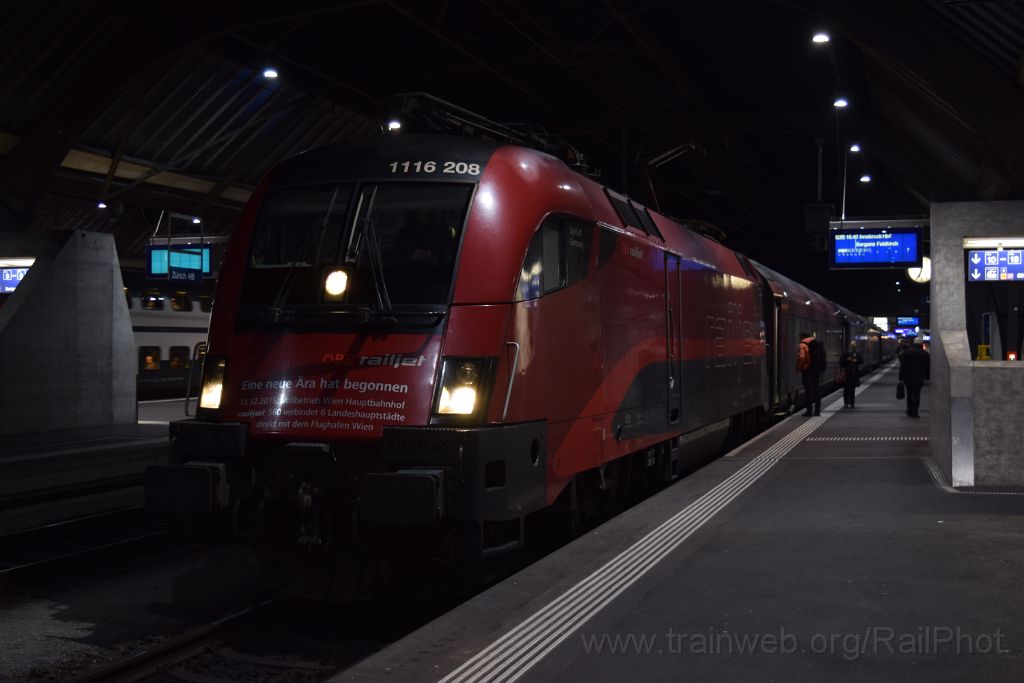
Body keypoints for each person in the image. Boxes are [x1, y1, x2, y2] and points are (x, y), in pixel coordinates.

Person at [898, 337, 930, 418]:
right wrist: (927, 376)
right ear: (921, 344)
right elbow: (927, 367)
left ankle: (909, 410)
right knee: (916, 395)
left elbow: (902, 366)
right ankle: (915, 412)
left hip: (907, 377)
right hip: (919, 378)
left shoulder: (906, 353)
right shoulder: (925, 354)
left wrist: (900, 377)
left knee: (909, 394)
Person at [797, 331, 826, 416]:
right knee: (817, 391)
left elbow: (802, 357)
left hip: (807, 371)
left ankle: (809, 411)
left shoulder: (803, 344)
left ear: (802, 336)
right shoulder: (818, 343)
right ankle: (817, 411)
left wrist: (799, 367)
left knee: (808, 391)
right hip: (816, 370)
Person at [838, 340, 864, 408]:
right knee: (847, 389)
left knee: (852, 390)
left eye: (854, 345)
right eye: (852, 345)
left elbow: (861, 361)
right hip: (847, 374)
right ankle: (846, 403)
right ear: (849, 345)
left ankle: (851, 403)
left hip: (853, 374)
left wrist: (856, 361)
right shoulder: (845, 353)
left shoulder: (857, 353)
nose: (853, 346)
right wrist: (847, 360)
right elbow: (841, 362)